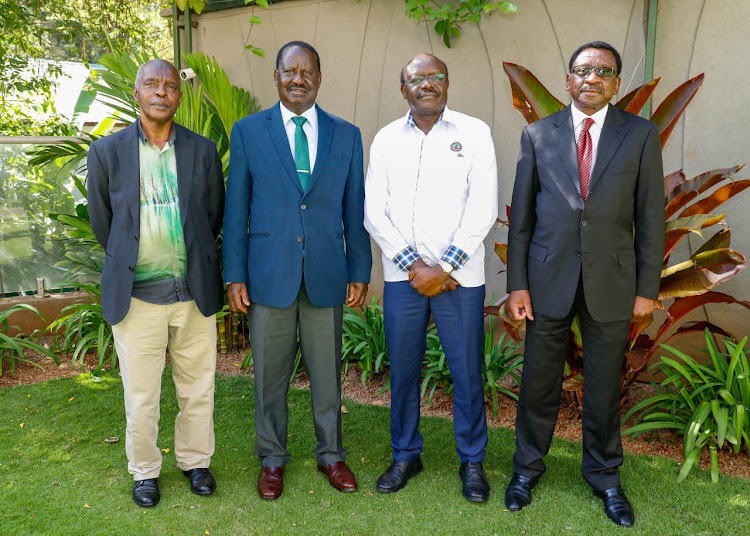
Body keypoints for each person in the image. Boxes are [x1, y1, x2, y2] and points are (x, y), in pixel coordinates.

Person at [504, 41, 665, 527]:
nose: (591, 78)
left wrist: (646, 288)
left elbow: (651, 220)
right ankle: (526, 470)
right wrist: (517, 284)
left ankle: (605, 476)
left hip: (612, 284)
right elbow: (522, 220)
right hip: (547, 279)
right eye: (582, 70)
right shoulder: (537, 135)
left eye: (603, 71)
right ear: (568, 80)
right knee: (538, 384)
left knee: (601, 387)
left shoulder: (640, 135)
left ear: (616, 83)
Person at [223, 41, 372, 500]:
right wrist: (235, 274)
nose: (298, 79)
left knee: (328, 372)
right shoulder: (249, 132)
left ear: (320, 79)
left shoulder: (346, 135)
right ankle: (271, 458)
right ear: (276, 77)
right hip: (269, 273)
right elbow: (236, 210)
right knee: (270, 374)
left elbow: (355, 209)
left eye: (307, 71)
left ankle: (332, 454)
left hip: (327, 270)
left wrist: (360, 268)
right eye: (290, 71)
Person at [87, 59, 225, 508]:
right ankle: (145, 471)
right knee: (142, 394)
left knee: (198, 386)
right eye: (152, 84)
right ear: (136, 91)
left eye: (169, 85)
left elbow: (212, 217)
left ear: (178, 96)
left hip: (193, 292)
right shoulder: (107, 152)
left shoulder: (202, 151)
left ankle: (195, 461)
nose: (161, 91)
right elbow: (103, 224)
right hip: (137, 297)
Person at [364, 53, 498, 503]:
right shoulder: (385, 140)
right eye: (416, 78)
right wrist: (413, 267)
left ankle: (472, 460)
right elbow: (374, 212)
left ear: (447, 84)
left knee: (466, 373)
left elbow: (483, 207)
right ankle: (405, 454)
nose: (427, 83)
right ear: (403, 89)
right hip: (405, 280)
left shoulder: (474, 133)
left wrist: (444, 268)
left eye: (435, 76)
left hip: (459, 278)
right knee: (402, 372)